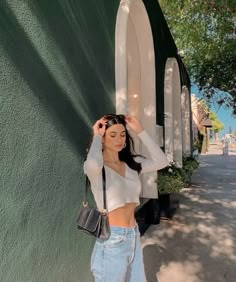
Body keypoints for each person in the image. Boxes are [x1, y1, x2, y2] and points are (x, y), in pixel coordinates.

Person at [84, 114, 169, 282]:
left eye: (122, 134)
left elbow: (162, 161)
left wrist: (140, 130)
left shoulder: (132, 164)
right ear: (103, 139)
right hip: (112, 236)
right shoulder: (97, 168)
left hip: (133, 233)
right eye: (113, 135)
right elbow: (92, 163)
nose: (119, 140)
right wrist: (97, 136)